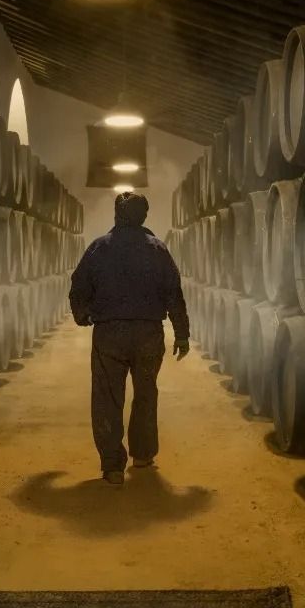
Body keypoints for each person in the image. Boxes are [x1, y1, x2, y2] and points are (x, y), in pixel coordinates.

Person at [68, 192, 190, 486]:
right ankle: (143, 455)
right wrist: (182, 333)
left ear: (116, 215)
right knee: (146, 393)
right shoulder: (158, 249)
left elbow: (78, 285)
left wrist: (81, 314)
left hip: (110, 333)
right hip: (148, 333)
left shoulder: (99, 248)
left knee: (108, 397)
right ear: (144, 216)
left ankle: (112, 466)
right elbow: (174, 293)